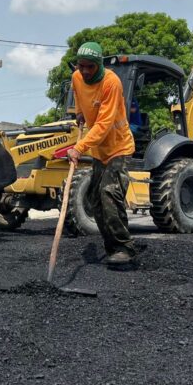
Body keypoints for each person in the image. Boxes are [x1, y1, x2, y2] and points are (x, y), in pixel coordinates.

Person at [66, 41, 136, 266]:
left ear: (99, 65)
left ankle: (124, 247)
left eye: (90, 67)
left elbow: (104, 124)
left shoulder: (111, 83)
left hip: (118, 146)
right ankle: (111, 246)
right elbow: (78, 93)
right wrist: (78, 112)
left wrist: (78, 148)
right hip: (99, 149)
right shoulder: (77, 77)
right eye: (81, 66)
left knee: (109, 193)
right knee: (95, 198)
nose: (85, 71)